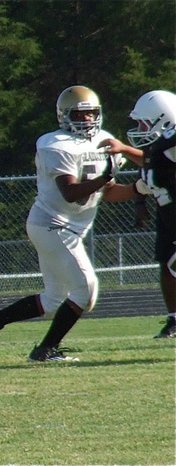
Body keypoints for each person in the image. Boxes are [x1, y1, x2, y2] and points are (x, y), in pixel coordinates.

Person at [0, 85, 146, 362]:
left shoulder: (105, 139)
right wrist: (104, 178)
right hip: (52, 224)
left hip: (67, 228)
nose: (87, 120)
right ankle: (45, 350)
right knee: (86, 290)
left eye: (91, 114)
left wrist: (140, 189)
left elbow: (108, 192)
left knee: (54, 298)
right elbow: (71, 192)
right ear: (64, 116)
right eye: (80, 114)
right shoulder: (54, 143)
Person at [100, 90, 176, 338]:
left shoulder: (170, 144)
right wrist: (99, 185)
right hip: (168, 215)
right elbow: (143, 175)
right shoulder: (162, 153)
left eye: (144, 122)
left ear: (163, 119)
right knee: (168, 264)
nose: (140, 128)